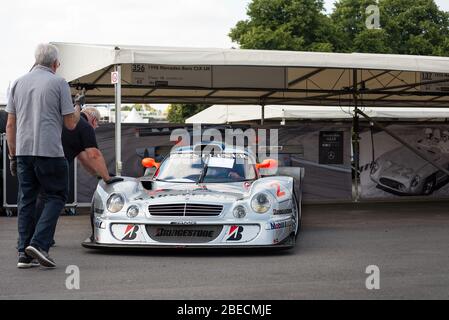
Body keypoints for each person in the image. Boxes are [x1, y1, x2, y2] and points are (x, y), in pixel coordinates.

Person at [6, 43, 81, 269]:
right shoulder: (59, 82)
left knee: (26, 200)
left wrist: (12, 156)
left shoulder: (18, 82)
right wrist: (78, 108)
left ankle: (23, 254)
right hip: (49, 152)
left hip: (23, 152)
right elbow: (70, 124)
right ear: (56, 64)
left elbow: (11, 124)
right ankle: (39, 243)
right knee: (56, 196)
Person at [35, 106, 123, 244]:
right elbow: (93, 154)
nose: (96, 127)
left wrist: (98, 174)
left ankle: (36, 239)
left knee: (38, 199)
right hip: (56, 163)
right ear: (93, 120)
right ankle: (39, 240)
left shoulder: (67, 120)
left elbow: (84, 159)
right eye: (97, 124)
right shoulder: (85, 127)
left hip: (37, 159)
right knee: (54, 200)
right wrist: (107, 178)